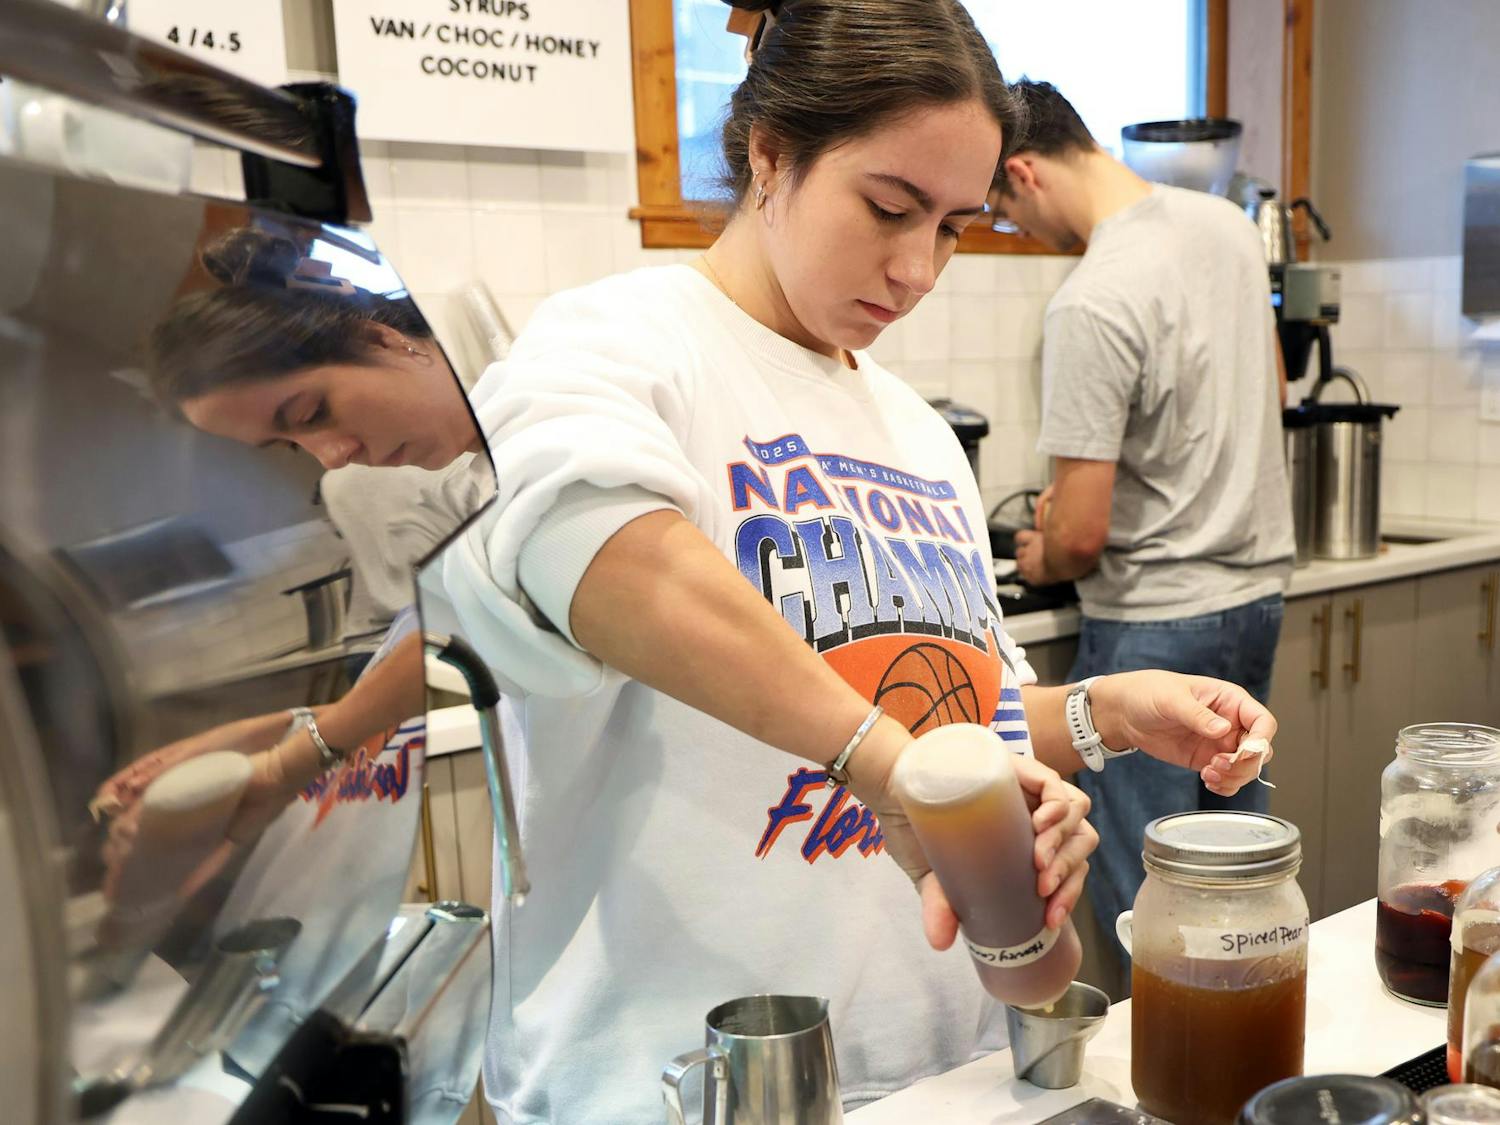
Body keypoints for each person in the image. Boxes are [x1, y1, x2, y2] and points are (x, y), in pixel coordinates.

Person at [435, 4, 1279, 1120]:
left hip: (937, 1070)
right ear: (770, 154)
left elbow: (941, 709)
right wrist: (889, 771)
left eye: (954, 226)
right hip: (683, 1081)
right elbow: (594, 553)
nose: (919, 267)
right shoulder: (614, 347)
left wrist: (1098, 717)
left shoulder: (913, 431)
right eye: (890, 208)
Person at [993, 81, 1296, 948]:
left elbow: (1080, 538)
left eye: (1003, 213)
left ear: (1024, 171)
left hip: (1153, 626)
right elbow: (1272, 390)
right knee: (1235, 889)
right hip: (1255, 603)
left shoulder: (1090, 298)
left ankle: (1165, 1083)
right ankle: (1244, 1073)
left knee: (1152, 913)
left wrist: (1041, 555)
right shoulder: (1228, 228)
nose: (1020, 234)